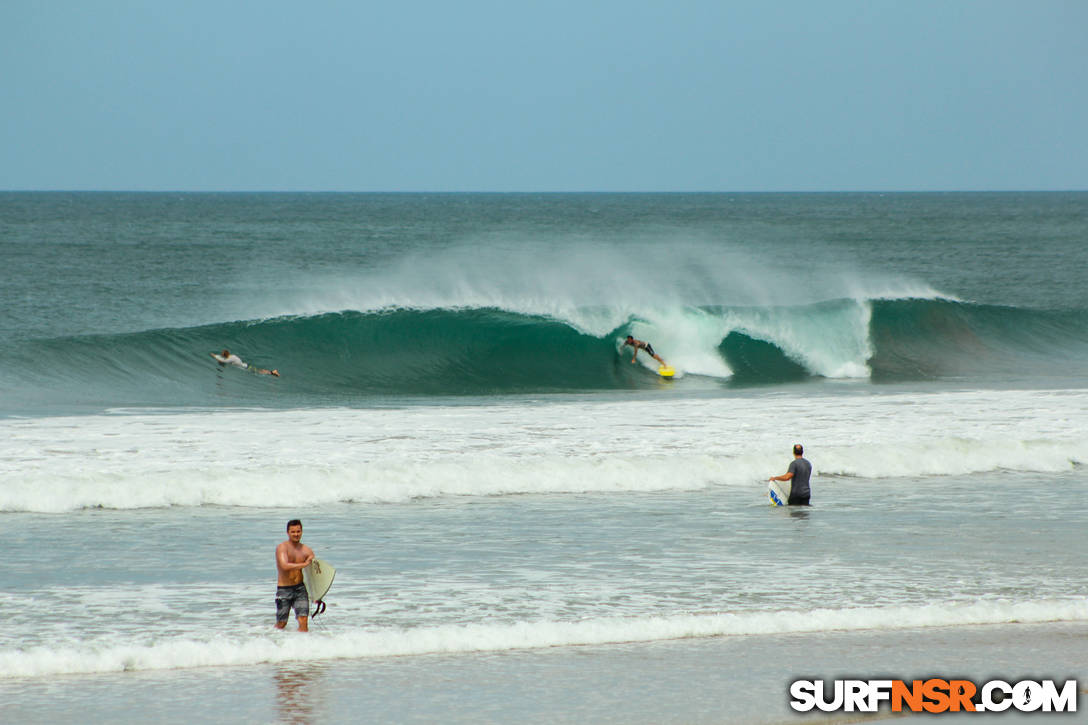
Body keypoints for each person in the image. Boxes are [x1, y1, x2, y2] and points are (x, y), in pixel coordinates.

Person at [275, 519, 315, 631]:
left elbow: (314, 573)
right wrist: (304, 564)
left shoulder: (307, 550)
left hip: (300, 588)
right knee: (281, 623)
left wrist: (317, 594)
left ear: (302, 532)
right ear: (287, 532)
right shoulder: (282, 548)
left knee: (303, 621)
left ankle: (301, 645)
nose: (296, 534)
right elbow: (285, 566)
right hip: (284, 589)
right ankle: (272, 641)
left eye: (298, 531)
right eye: (293, 532)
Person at [210, 349, 279, 376]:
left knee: (259, 372)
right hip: (246, 365)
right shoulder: (232, 356)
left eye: (222, 353)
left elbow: (222, 360)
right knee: (259, 370)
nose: (221, 354)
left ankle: (272, 372)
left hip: (246, 368)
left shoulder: (229, 359)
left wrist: (213, 355)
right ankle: (272, 372)